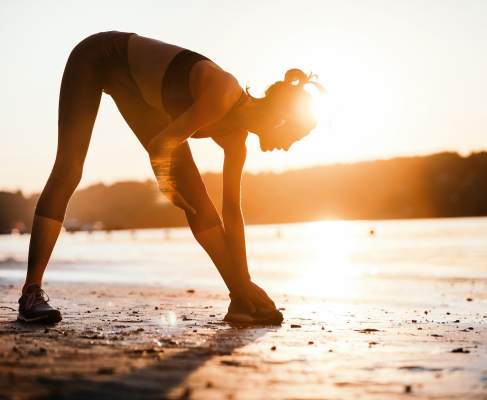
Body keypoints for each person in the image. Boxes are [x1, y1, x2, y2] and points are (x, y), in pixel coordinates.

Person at [18, 31, 327, 325]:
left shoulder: (237, 140)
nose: (287, 147)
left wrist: (244, 280)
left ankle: (239, 299)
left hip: (141, 94)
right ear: (281, 118)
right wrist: (165, 186)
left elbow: (232, 210)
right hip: (99, 58)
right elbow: (159, 147)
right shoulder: (223, 92)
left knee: (198, 201)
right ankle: (31, 293)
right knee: (70, 168)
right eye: (292, 137)